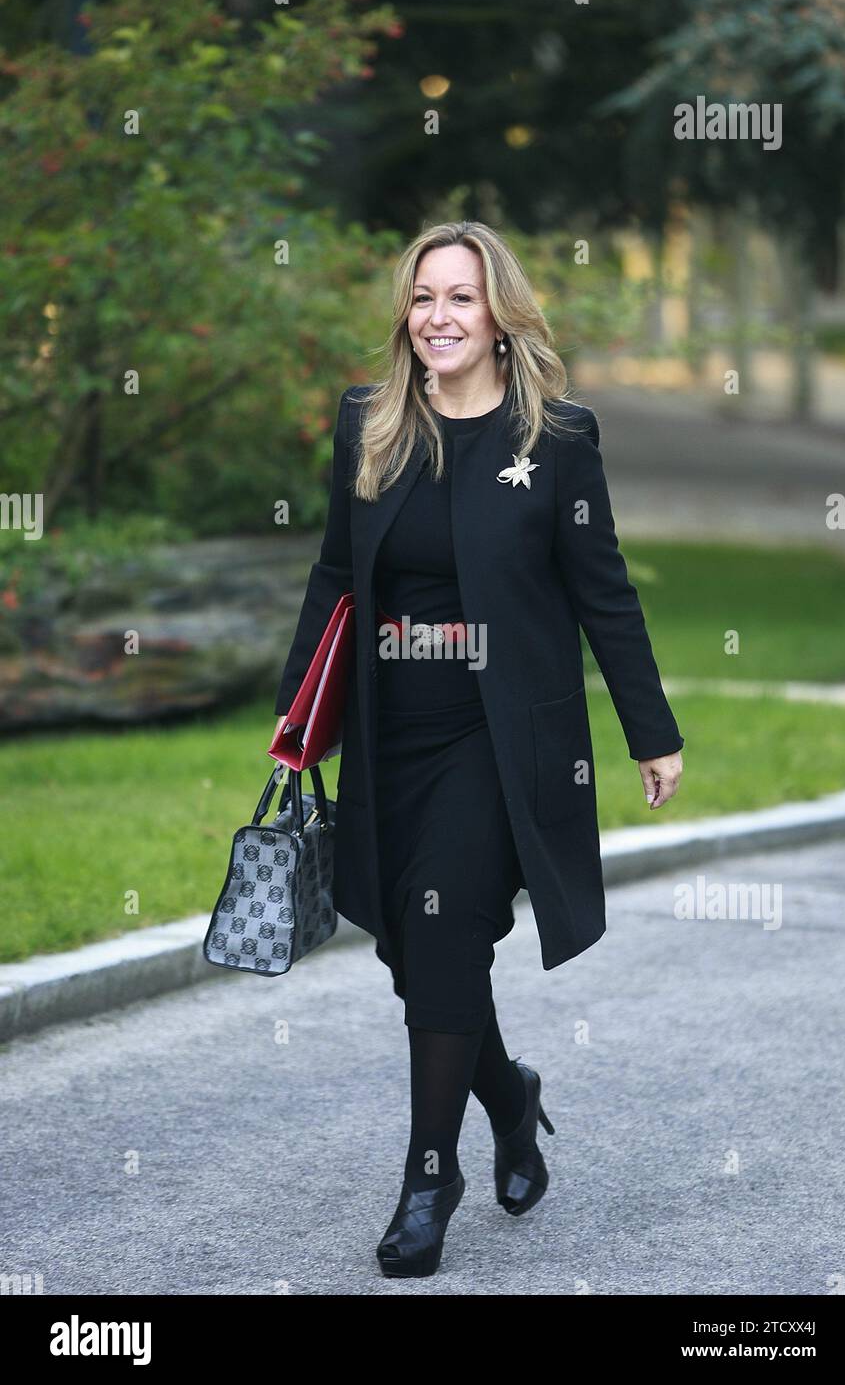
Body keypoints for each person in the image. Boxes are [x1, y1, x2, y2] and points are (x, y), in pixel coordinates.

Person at [274, 220, 684, 1278]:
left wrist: (650, 731)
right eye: (422, 299)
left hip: (498, 744)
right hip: (387, 738)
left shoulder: (555, 440)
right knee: (415, 955)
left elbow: (604, 592)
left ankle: (426, 1176)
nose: (437, 318)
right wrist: (294, 722)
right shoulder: (369, 425)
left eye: (459, 298)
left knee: (449, 931)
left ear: (499, 318)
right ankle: (510, 1098)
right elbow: (334, 576)